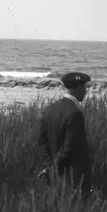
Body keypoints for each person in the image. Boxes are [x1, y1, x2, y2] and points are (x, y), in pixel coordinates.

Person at [36, 71, 93, 200]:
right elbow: (69, 148)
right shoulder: (75, 113)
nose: (86, 91)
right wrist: (52, 170)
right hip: (73, 177)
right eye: (85, 87)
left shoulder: (50, 109)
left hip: (56, 176)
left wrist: (48, 168)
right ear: (78, 88)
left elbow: (41, 142)